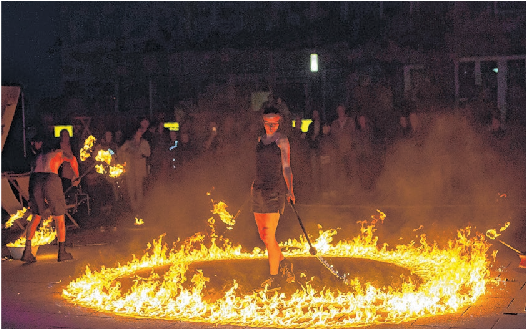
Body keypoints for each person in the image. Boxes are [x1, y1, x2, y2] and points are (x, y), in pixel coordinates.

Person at [252, 107, 296, 290]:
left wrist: (290, 190)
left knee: (270, 235)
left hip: (274, 191)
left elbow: (286, 167)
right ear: (263, 123)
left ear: (279, 123)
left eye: (274, 123)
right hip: (258, 190)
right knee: (264, 236)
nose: (271, 126)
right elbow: (259, 165)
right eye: (267, 123)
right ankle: (284, 264)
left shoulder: (282, 141)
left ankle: (274, 278)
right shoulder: (259, 140)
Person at [21, 142, 80, 263]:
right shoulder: (59, 152)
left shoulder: (38, 156)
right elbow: (73, 159)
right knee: (59, 216)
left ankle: (27, 252)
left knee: (36, 215)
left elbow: (32, 172)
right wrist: (76, 176)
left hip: (35, 180)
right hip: (50, 179)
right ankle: (62, 252)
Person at [119, 125, 151, 216]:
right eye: (138, 132)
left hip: (139, 170)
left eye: (140, 132)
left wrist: (139, 151)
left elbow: (148, 153)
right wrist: (127, 152)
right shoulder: (129, 143)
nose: (139, 134)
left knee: (139, 189)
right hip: (130, 170)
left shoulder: (144, 143)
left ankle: (139, 208)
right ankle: (133, 208)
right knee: (131, 190)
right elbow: (121, 151)